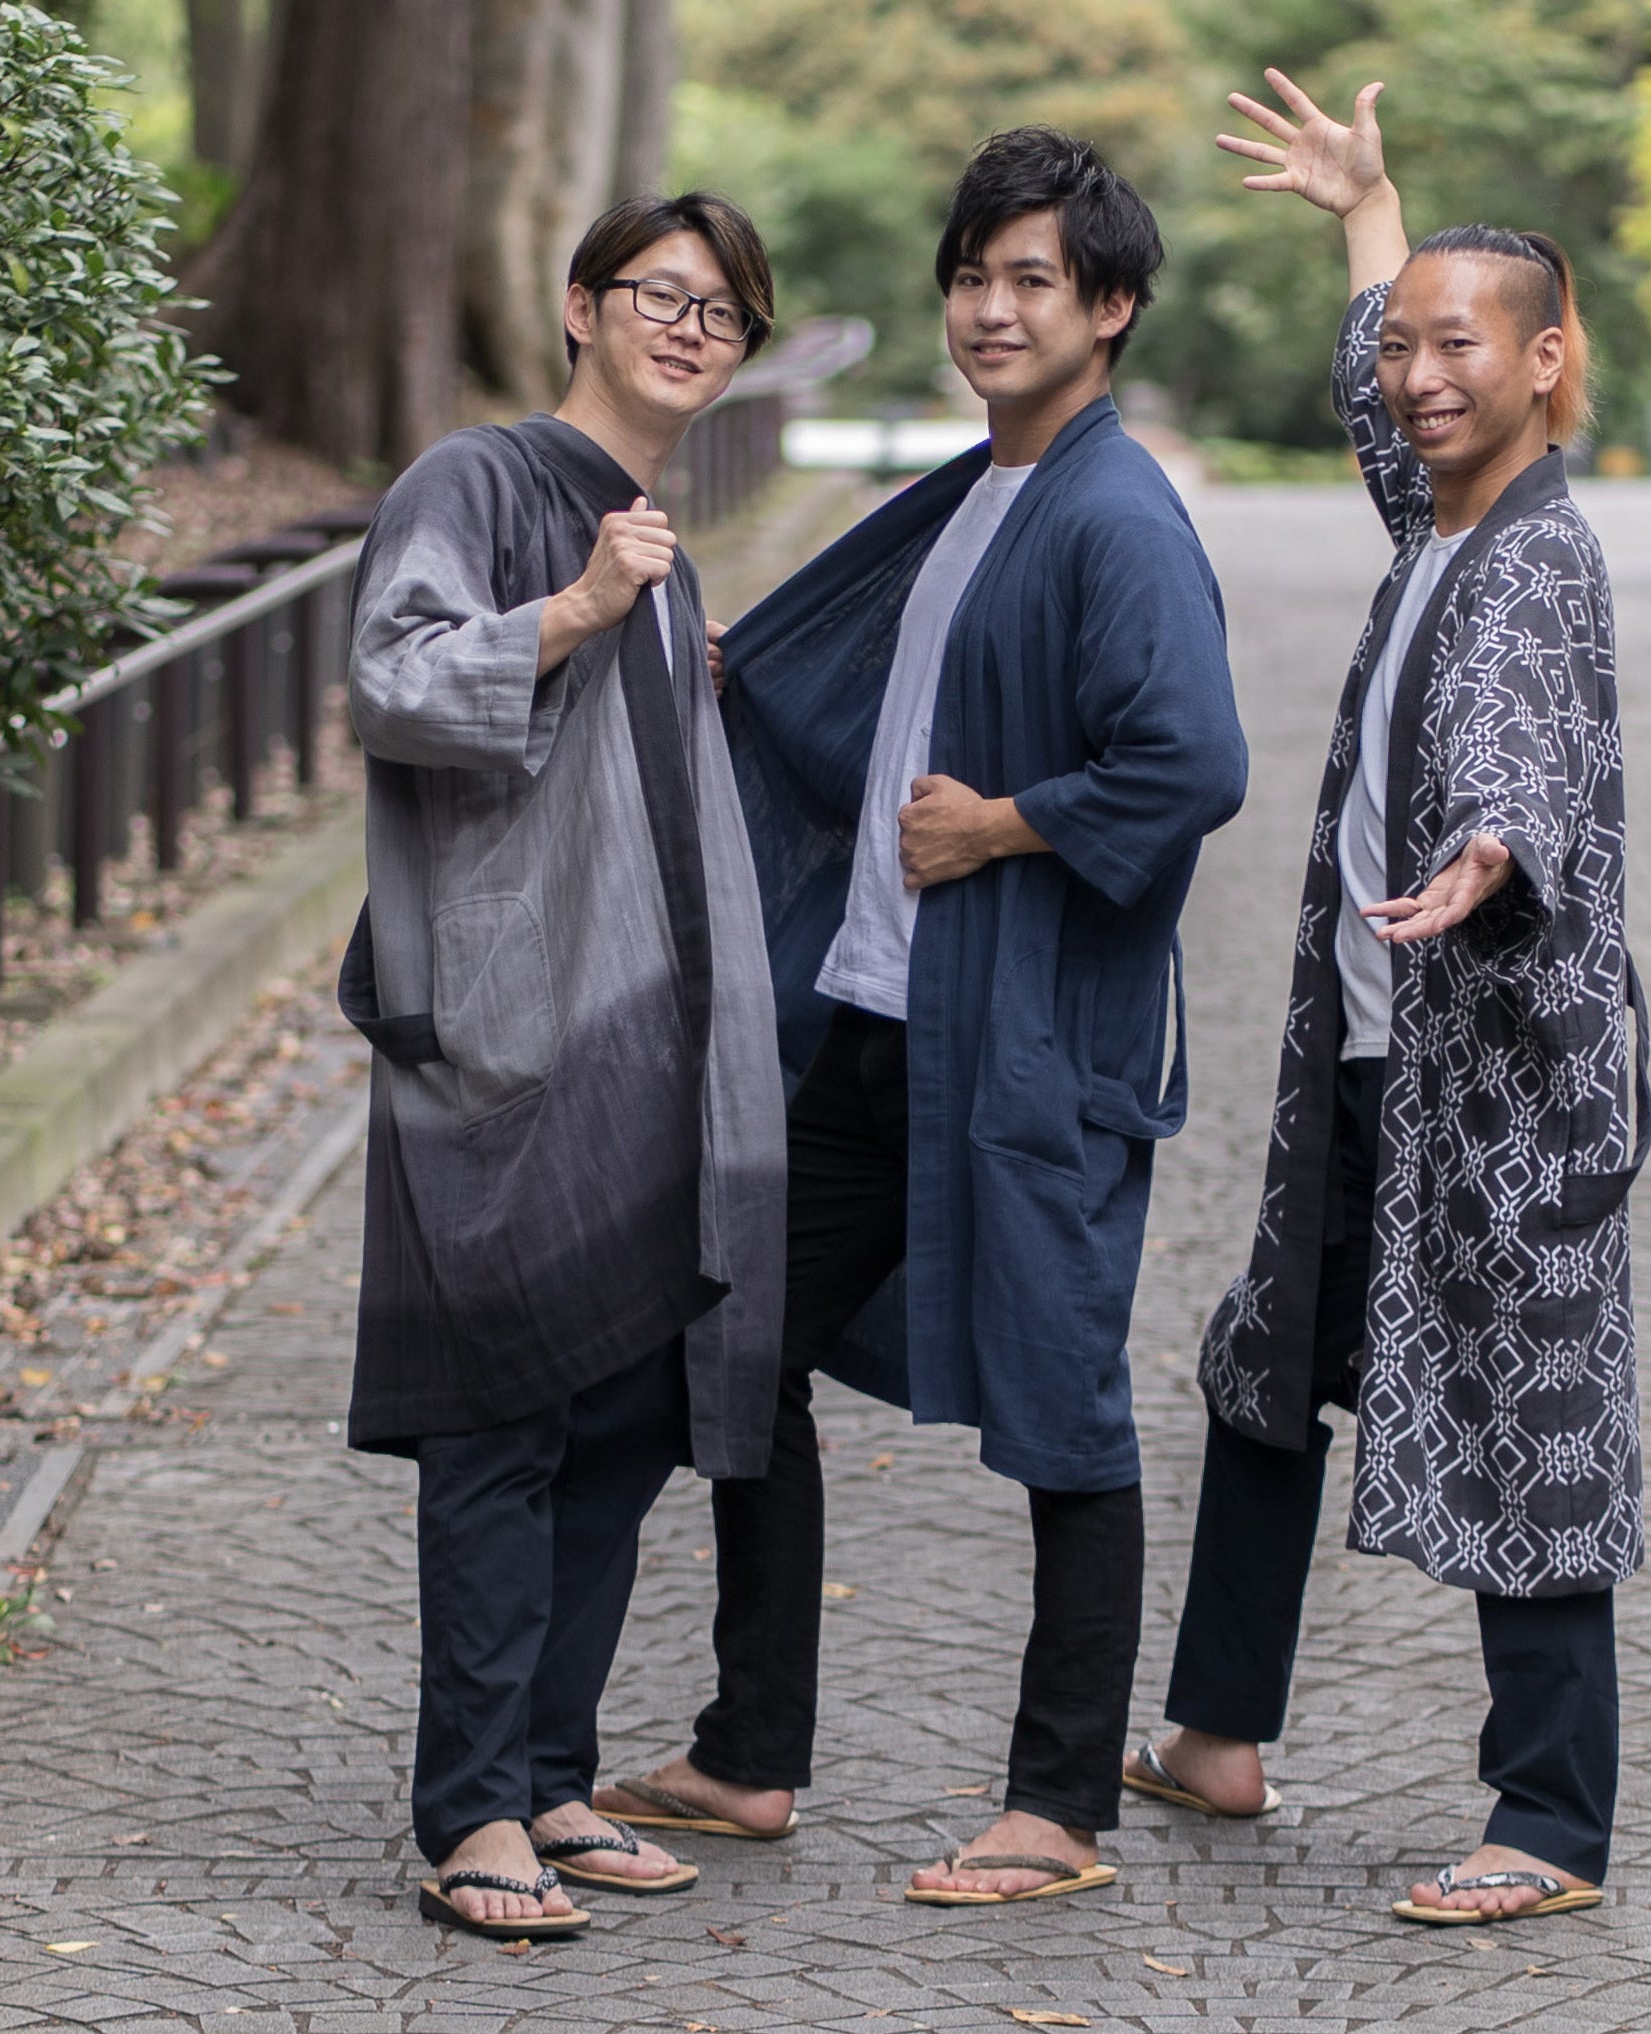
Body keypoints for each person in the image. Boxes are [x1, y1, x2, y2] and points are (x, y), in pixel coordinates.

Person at [592, 127, 1248, 1906]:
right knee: (735, 1343)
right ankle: (750, 1750)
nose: (990, 308)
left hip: (1022, 1045)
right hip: (879, 1028)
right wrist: (739, 679)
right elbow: (873, 719)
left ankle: (1057, 1808)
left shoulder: (1113, 514)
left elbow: (1192, 761)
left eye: (1033, 279)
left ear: (1109, 308)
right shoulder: (980, 491)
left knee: (1063, 1402)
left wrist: (1007, 825)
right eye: (971, 275)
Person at [1130, 73, 1651, 1928]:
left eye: (1459, 346)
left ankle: (1550, 1820)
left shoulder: (1536, 561)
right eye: (1404, 344)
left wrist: (1496, 844)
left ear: (1546, 362)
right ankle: (1215, 1729)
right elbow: (1377, 403)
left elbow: (1519, 735)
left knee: (1533, 1406)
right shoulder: (1438, 519)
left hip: (1502, 1090)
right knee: (1266, 1364)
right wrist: (1369, 208)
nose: (1417, 375)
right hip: (1371, 1055)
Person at [339, 192, 789, 1941]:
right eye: (660, 294)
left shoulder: (657, 539)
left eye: (723, 313)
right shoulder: (479, 480)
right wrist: (581, 606)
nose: (690, 329)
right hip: (503, 1035)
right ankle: (469, 1809)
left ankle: (545, 1771)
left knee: (621, 1408)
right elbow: (393, 680)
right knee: (502, 1409)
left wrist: (649, 628)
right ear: (581, 304)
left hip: (647, 1035)